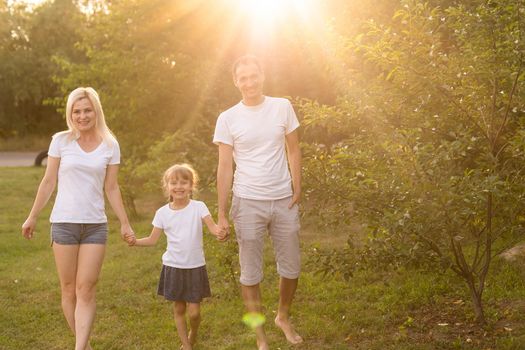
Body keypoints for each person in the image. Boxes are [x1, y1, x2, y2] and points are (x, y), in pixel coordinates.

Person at [21, 87, 135, 350]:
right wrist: (32, 217)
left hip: (95, 225)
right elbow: (48, 181)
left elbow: (112, 188)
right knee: (69, 288)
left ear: (96, 111)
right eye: (77, 111)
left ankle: (79, 347)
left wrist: (125, 222)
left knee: (87, 288)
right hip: (63, 224)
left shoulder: (110, 145)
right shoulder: (61, 141)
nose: (82, 116)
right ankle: (84, 345)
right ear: (70, 114)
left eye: (87, 110)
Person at [213, 55, 303, 349]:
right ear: (236, 82)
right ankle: (260, 335)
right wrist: (222, 213)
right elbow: (224, 166)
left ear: (262, 75)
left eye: (253, 76)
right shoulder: (228, 118)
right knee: (250, 273)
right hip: (247, 201)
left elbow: (294, 149)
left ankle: (282, 317)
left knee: (291, 268)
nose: (249, 83)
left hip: (283, 200)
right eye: (243, 78)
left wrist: (297, 186)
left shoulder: (282, 107)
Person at [126, 163, 227, 350]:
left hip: (195, 266)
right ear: (167, 187)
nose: (179, 186)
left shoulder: (199, 207)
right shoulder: (162, 213)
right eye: (174, 183)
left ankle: (193, 332)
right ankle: (186, 345)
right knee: (179, 309)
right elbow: (152, 239)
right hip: (173, 267)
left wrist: (220, 233)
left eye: (183, 182)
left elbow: (213, 228)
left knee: (195, 313)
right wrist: (135, 242)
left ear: (191, 186)